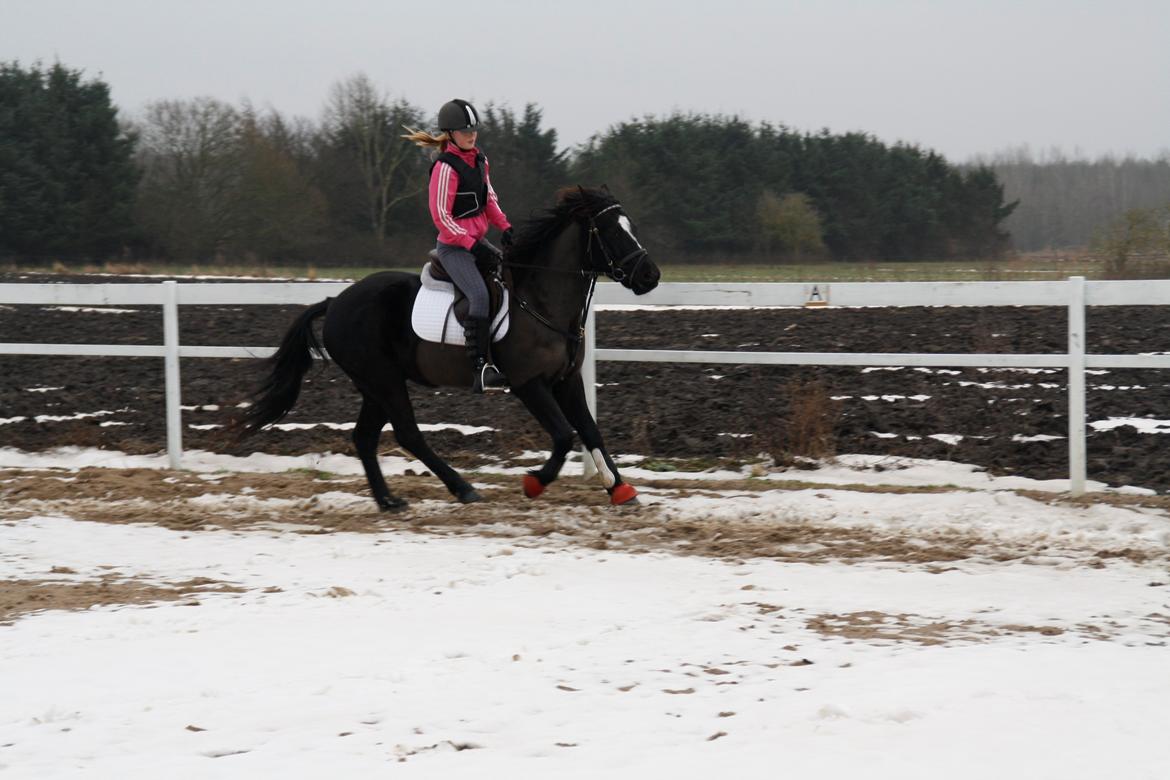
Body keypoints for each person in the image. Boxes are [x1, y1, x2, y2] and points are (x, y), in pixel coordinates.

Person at [403, 99, 513, 394]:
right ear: (450, 134)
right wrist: (469, 244)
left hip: (477, 242)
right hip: (454, 248)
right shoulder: (444, 168)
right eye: (465, 131)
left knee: (509, 279)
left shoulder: (480, 161)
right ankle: (479, 368)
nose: (471, 134)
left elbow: (489, 200)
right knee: (478, 294)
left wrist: (506, 227)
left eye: (473, 129)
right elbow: (441, 216)